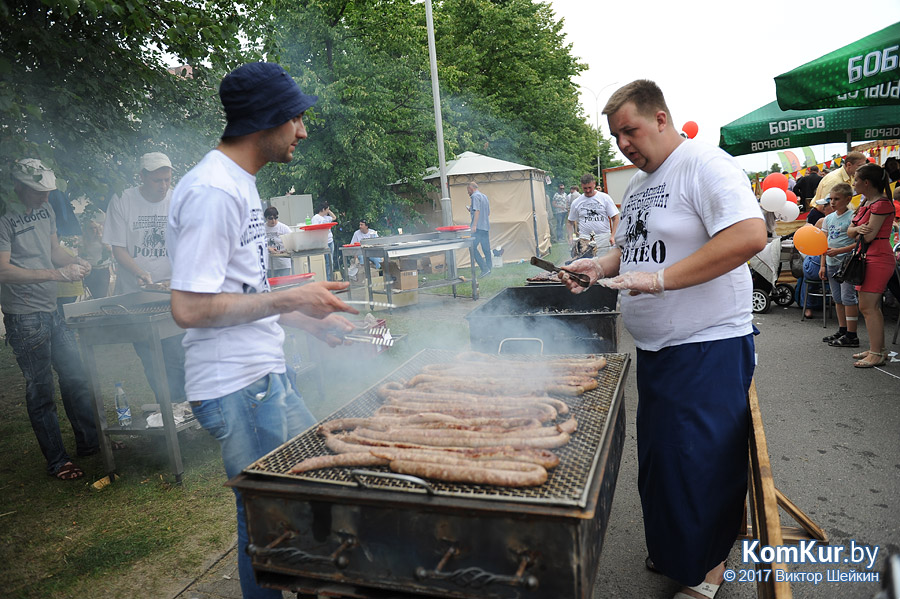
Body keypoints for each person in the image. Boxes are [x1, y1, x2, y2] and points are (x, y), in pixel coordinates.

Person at [561, 80, 767, 599]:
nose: (624, 143)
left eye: (629, 129)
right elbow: (630, 252)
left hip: (708, 344)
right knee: (663, 463)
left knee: (702, 460)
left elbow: (747, 234)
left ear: (660, 118)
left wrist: (660, 281)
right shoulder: (636, 187)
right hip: (657, 350)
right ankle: (678, 551)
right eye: (616, 136)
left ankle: (708, 572)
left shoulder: (704, 164)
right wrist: (598, 265)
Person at [166, 61, 357, 599]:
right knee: (268, 518)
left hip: (261, 378)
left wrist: (305, 322)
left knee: (292, 509)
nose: (302, 130)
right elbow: (188, 307)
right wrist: (291, 295)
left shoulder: (239, 185)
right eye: (295, 118)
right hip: (236, 387)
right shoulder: (213, 191)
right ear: (266, 119)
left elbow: (242, 297)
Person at [0, 159, 100, 480]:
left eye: (47, 192)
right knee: (41, 390)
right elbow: (3, 270)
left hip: (51, 309)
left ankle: (91, 443)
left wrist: (76, 262)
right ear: (18, 186)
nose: (45, 198)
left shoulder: (47, 210)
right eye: (37, 192)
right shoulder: (4, 217)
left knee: (75, 374)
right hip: (24, 316)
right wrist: (57, 274)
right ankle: (58, 460)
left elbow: (54, 249)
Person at [103, 151, 186, 406]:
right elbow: (118, 248)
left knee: (178, 353)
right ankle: (171, 410)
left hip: (174, 292)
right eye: (157, 181)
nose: (163, 186)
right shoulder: (122, 200)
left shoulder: (176, 200)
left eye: (167, 180)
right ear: (142, 177)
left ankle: (186, 410)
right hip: (138, 295)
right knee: (151, 358)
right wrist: (140, 272)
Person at [846, 162, 896, 368]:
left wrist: (858, 229)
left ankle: (877, 352)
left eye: (856, 180)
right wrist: (859, 229)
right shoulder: (867, 203)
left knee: (868, 306)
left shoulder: (881, 204)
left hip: (877, 257)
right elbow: (851, 231)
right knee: (869, 306)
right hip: (867, 256)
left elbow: (868, 235)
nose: (853, 183)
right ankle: (878, 348)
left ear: (866, 182)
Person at [818, 184, 859, 347]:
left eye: (837, 199)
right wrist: (822, 265)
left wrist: (840, 250)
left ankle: (852, 334)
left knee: (848, 297)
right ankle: (842, 329)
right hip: (831, 263)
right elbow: (823, 242)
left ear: (848, 199)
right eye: (831, 199)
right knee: (837, 298)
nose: (832, 203)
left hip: (847, 263)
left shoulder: (852, 217)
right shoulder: (828, 218)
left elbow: (858, 243)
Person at [567, 173, 619, 260]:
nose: (587, 190)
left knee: (604, 264)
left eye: (590, 187)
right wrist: (570, 237)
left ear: (594, 184)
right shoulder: (577, 202)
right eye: (585, 188)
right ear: (581, 186)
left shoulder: (605, 198)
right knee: (585, 264)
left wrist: (613, 236)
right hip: (584, 239)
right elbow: (569, 222)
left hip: (603, 237)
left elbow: (615, 218)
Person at [79, 213, 112, 298]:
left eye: (95, 228)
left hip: (103, 269)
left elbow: (110, 252)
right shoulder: (83, 242)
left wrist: (103, 242)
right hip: (91, 271)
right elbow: (80, 257)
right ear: (86, 230)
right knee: (95, 295)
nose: (93, 230)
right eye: (91, 228)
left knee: (102, 294)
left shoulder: (102, 239)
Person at [466, 181, 492, 278]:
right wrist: (471, 210)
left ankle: (484, 269)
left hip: (478, 227)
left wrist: (474, 225)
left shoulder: (474, 196)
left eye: (468, 190)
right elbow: (488, 212)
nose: (468, 193)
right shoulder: (484, 196)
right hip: (485, 226)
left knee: (472, 247)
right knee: (486, 249)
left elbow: (477, 211)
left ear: (471, 188)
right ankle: (489, 269)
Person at [311, 200, 336, 281]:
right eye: (327, 209)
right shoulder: (316, 218)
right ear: (323, 209)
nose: (328, 211)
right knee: (327, 262)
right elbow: (315, 229)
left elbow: (334, 217)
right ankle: (327, 279)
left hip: (330, 240)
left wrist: (329, 210)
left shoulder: (326, 217)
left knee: (330, 261)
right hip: (322, 242)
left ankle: (330, 278)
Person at [263, 206, 292, 278]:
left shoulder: (283, 228)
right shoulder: (262, 229)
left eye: (275, 218)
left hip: (283, 263)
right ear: (266, 218)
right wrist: (268, 248)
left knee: (284, 286)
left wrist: (286, 250)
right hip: (269, 265)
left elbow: (292, 240)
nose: (273, 221)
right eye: (270, 218)